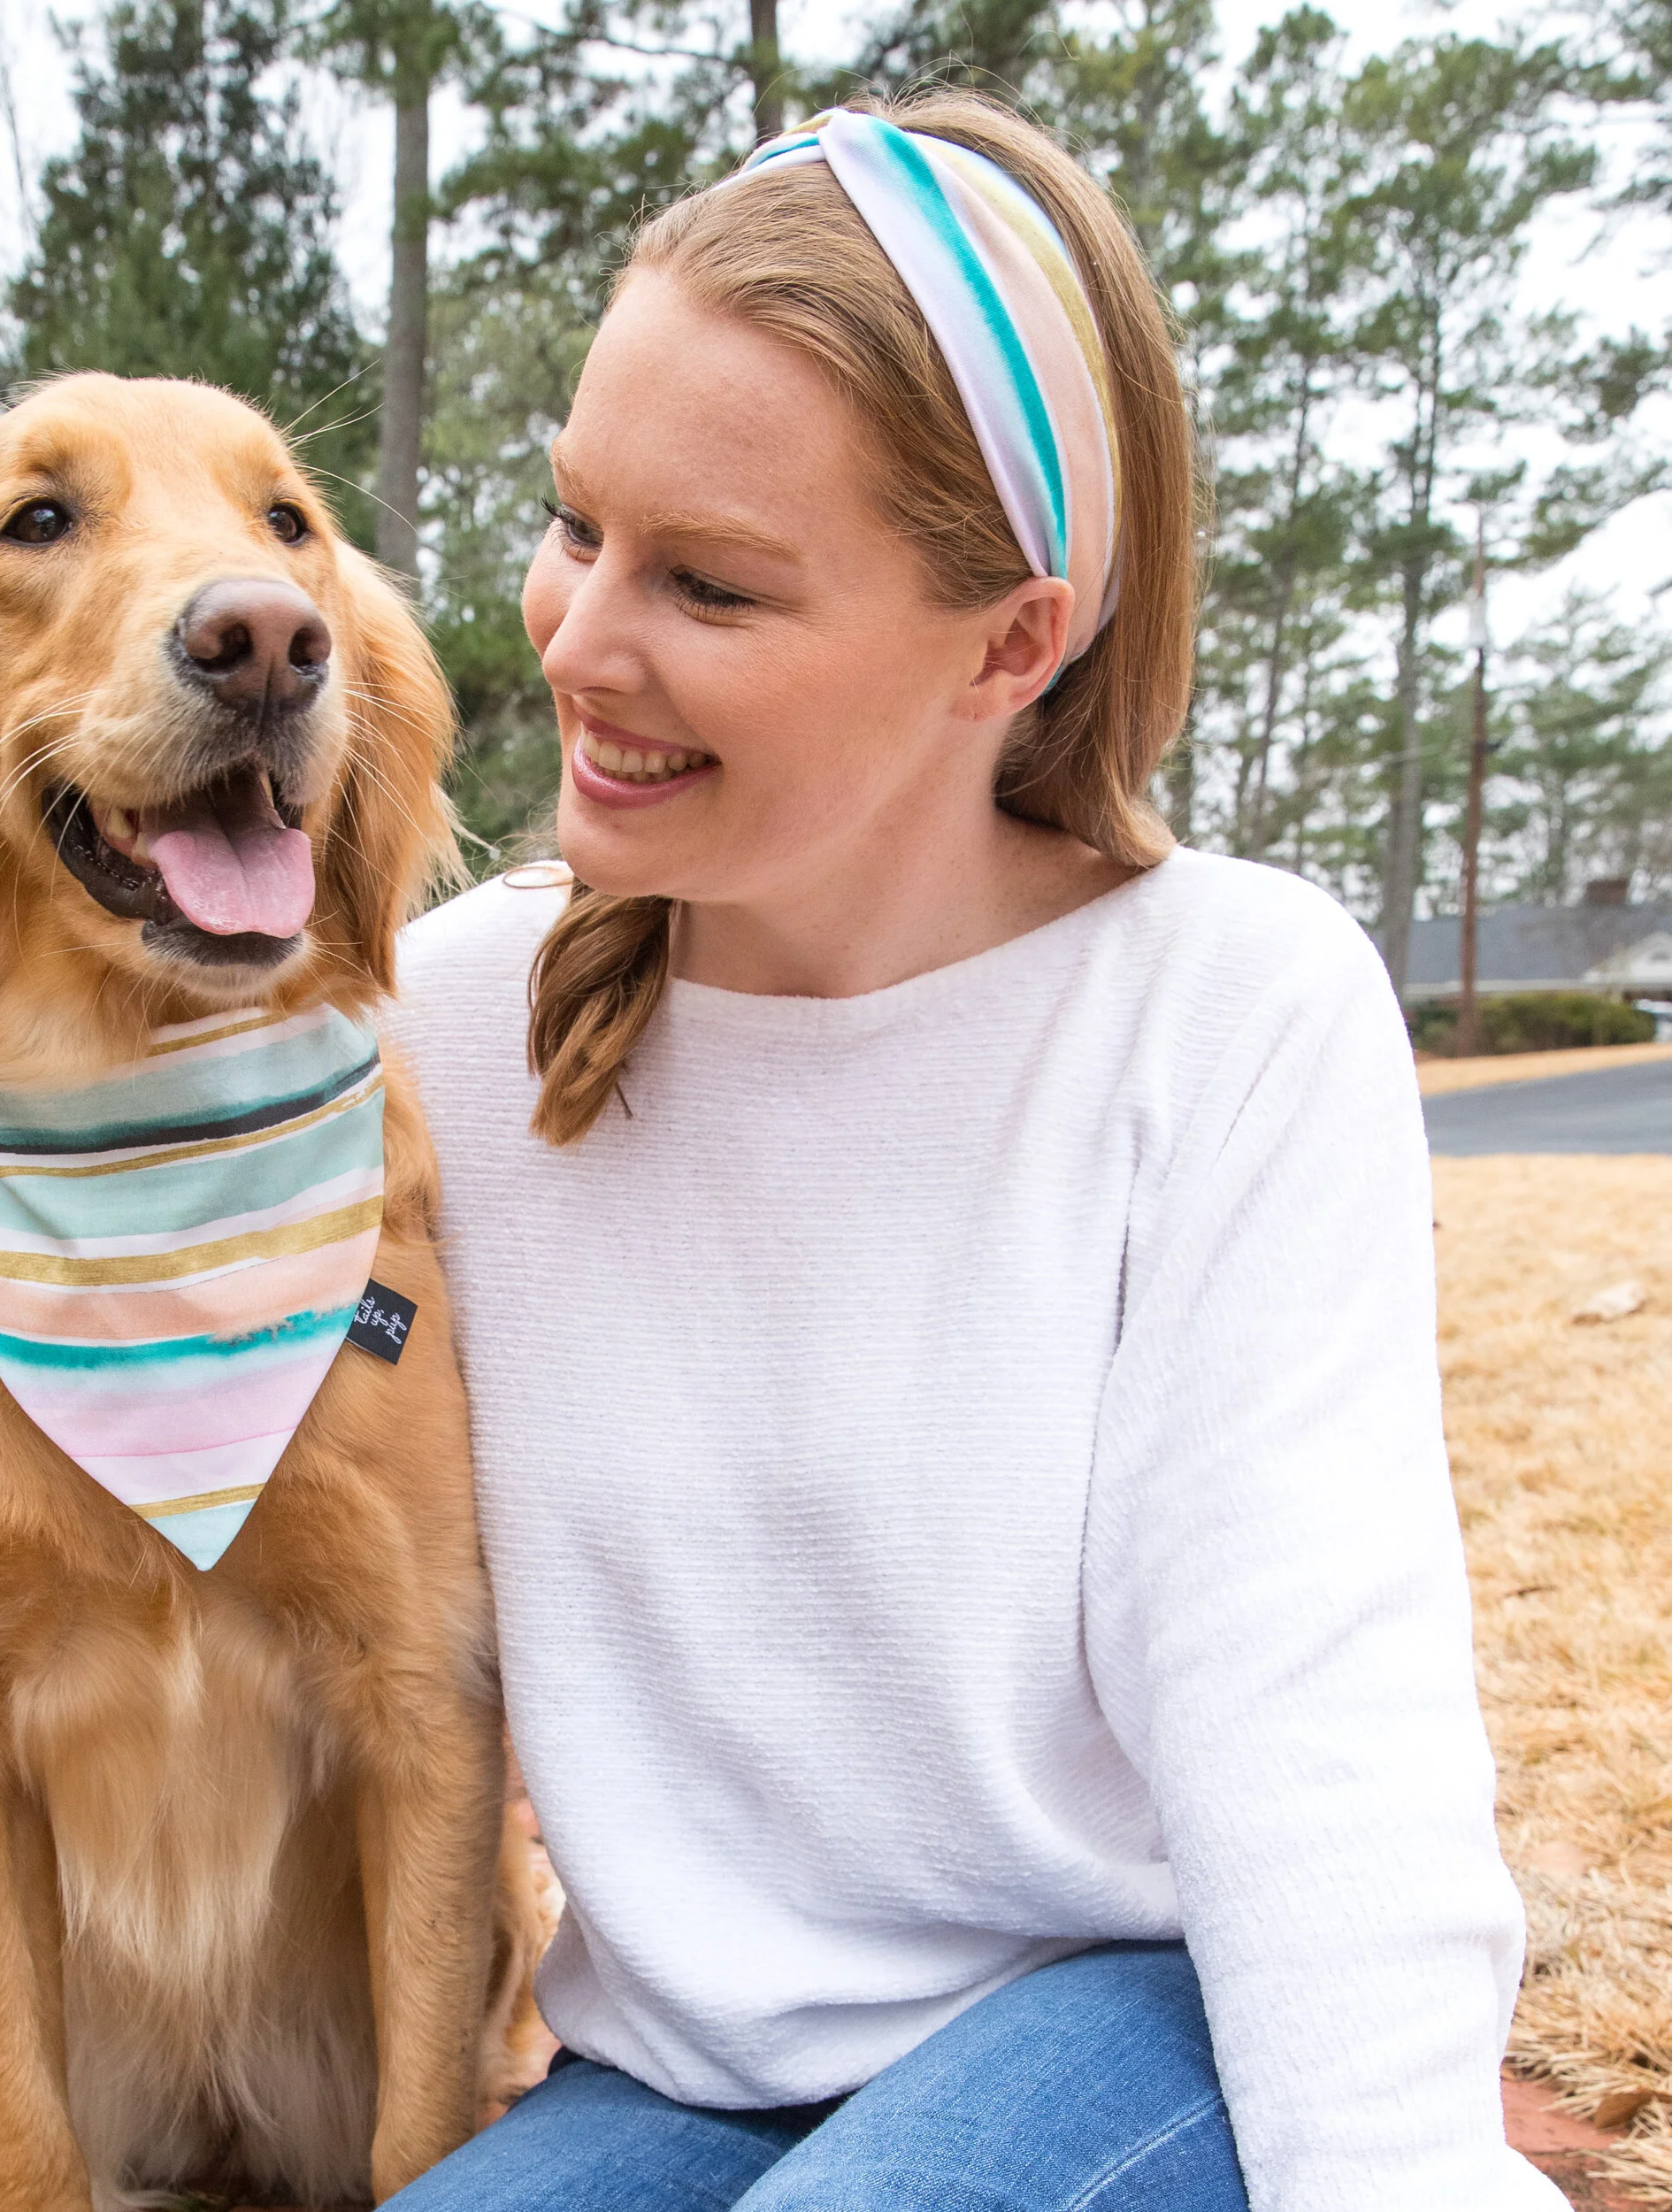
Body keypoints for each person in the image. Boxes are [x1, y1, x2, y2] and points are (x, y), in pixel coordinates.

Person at [383, 92, 1557, 2212]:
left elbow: (1310, 1713)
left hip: (1133, 2025)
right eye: (574, 522)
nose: (570, 637)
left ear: (1010, 640)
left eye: (710, 587)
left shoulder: (1221, 1008)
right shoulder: (449, 1019)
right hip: (668, 2071)